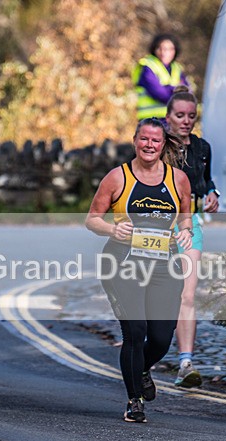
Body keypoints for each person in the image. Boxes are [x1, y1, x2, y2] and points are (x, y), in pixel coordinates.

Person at [85, 118, 193, 423]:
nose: (149, 145)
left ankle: (142, 368)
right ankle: (134, 400)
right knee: (135, 331)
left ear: (163, 145)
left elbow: (186, 217)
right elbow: (92, 219)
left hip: (164, 264)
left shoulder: (178, 180)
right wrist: (112, 230)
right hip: (123, 263)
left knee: (161, 337)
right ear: (135, 141)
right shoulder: (117, 178)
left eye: (155, 141)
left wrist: (185, 231)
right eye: (144, 139)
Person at [165, 86, 220, 387]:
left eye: (191, 116)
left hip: (190, 225)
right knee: (158, 294)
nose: (186, 121)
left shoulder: (202, 147)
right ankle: (145, 354)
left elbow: (206, 180)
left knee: (188, 293)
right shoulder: (157, 144)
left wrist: (213, 194)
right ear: (168, 117)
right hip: (158, 226)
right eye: (180, 115)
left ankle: (186, 362)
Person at [133, 34, 190, 120]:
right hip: (151, 120)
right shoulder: (148, 66)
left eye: (169, 49)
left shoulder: (177, 68)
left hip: (173, 120)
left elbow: (188, 94)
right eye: (160, 48)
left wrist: (168, 88)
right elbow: (160, 94)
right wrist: (175, 89)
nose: (164, 52)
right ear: (154, 49)